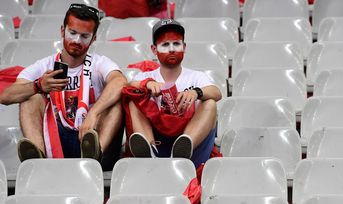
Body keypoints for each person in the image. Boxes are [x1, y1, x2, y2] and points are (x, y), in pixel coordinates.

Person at [8, 3, 127, 170]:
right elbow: (6, 96)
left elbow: (120, 81)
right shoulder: (46, 64)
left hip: (94, 135)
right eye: (72, 33)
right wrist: (38, 86)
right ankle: (38, 155)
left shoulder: (99, 62)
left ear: (93, 39)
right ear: (62, 31)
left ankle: (95, 153)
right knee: (29, 95)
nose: (77, 41)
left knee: (117, 98)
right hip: (57, 138)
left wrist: (93, 113)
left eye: (84, 36)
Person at [124, 19, 222, 168]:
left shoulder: (196, 76)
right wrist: (148, 84)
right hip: (158, 142)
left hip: (191, 146)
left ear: (184, 47)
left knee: (210, 102)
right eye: (165, 45)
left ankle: (183, 148)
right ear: (154, 49)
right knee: (134, 98)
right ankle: (148, 150)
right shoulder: (145, 77)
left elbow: (216, 92)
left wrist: (196, 92)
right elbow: (129, 85)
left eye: (176, 44)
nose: (171, 49)